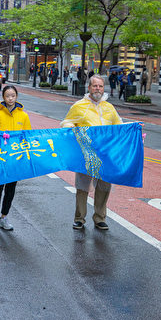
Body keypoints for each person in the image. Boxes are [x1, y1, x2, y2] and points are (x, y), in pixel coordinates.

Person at [60, 75, 122, 230]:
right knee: (82, 186)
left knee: (104, 186)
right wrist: (70, 128)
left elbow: (119, 126)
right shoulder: (79, 106)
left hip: (104, 155)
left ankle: (100, 217)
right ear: (89, 88)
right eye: (95, 86)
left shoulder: (109, 108)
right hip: (85, 154)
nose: (98, 89)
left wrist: (135, 131)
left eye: (100, 86)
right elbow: (66, 122)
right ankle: (79, 218)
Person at [0, 86, 31, 232]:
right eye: (7, 96)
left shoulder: (23, 116)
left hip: (15, 159)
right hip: (0, 158)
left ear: (16, 97)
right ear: (3, 97)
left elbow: (28, 137)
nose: (10, 98)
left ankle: (4, 217)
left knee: (11, 189)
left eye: (13, 96)